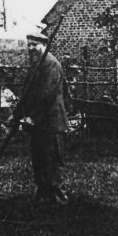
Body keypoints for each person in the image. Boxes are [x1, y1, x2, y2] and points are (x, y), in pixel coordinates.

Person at [16, 32, 71, 205]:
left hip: (52, 122)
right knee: (39, 161)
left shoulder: (51, 65)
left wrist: (34, 117)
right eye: (29, 44)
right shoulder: (36, 65)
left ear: (44, 45)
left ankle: (58, 199)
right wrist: (16, 115)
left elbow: (48, 95)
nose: (31, 48)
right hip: (39, 124)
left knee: (52, 162)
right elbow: (27, 94)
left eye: (35, 44)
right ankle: (43, 197)